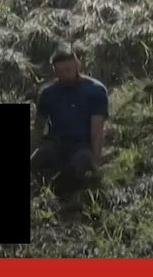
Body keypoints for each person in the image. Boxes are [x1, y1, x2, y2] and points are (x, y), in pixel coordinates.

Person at [31, 47, 108, 199]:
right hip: (56, 143)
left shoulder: (95, 91)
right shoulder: (48, 93)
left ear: (77, 65)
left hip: (82, 146)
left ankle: (65, 195)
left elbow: (97, 128)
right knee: (36, 162)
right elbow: (38, 127)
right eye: (59, 71)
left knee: (77, 170)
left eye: (68, 69)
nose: (64, 75)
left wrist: (96, 159)